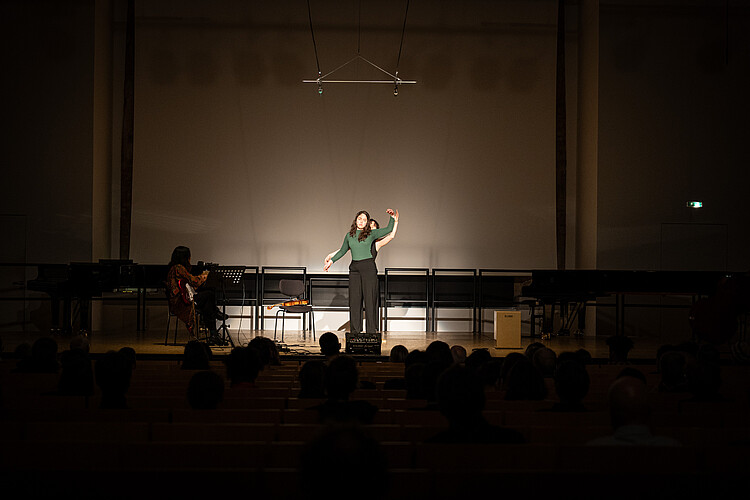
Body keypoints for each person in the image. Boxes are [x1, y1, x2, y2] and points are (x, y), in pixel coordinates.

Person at [324, 209, 399, 335]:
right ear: (356, 220)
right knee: (355, 301)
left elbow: (388, 230)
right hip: (354, 269)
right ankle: (355, 332)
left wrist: (392, 218)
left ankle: (371, 332)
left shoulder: (371, 234)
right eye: (360, 219)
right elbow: (342, 251)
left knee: (369, 300)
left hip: (368, 268)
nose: (361, 221)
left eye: (364, 220)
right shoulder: (349, 235)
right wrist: (331, 262)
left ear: (367, 223)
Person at [166, 245, 226, 339]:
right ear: (186, 257)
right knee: (209, 294)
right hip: (181, 302)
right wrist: (204, 276)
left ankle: (213, 331)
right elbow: (193, 281)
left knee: (208, 300)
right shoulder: (178, 268)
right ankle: (214, 327)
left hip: (184, 298)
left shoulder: (175, 268)